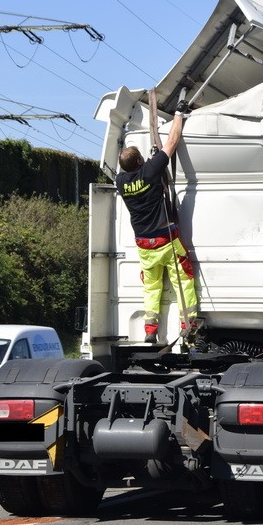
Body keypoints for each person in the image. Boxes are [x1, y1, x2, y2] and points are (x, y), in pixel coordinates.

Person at [115, 97, 198, 345]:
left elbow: (127, 168)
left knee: (151, 288)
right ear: (141, 161)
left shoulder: (121, 182)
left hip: (144, 245)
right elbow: (172, 142)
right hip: (166, 239)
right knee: (183, 278)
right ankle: (188, 324)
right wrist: (179, 115)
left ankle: (151, 330)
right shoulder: (150, 172)